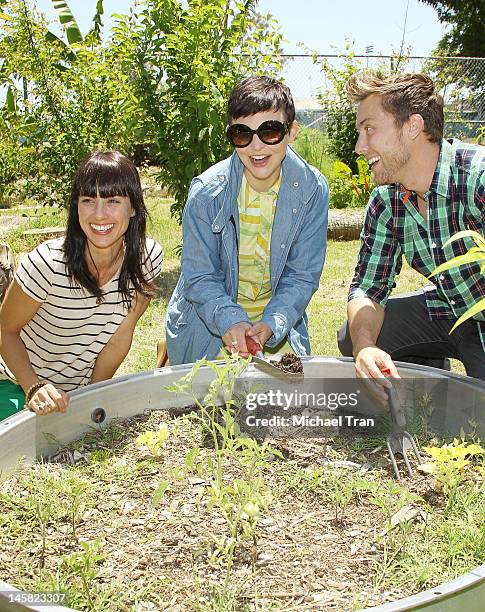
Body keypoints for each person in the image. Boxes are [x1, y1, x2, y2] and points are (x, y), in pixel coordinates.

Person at [337, 71, 485, 401]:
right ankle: (424, 374)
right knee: (354, 334)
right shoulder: (387, 200)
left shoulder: (478, 179)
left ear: (413, 126)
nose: (360, 146)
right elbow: (368, 286)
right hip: (447, 307)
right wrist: (365, 348)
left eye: (369, 129)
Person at [166, 75, 329, 365]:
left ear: (292, 131)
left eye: (269, 131)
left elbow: (302, 275)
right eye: (242, 134)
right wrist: (231, 321)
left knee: (284, 406)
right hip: (211, 324)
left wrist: (271, 325)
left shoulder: (312, 190)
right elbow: (200, 276)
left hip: (277, 326)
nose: (256, 146)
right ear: (230, 134)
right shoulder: (206, 193)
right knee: (210, 407)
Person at [0, 150, 163, 420]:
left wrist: (90, 397)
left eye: (113, 200)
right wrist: (33, 386)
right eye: (88, 200)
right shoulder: (47, 264)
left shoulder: (146, 260)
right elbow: (4, 330)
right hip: (14, 383)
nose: (99, 215)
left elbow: (117, 338)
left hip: (71, 394)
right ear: (76, 206)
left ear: (133, 206)